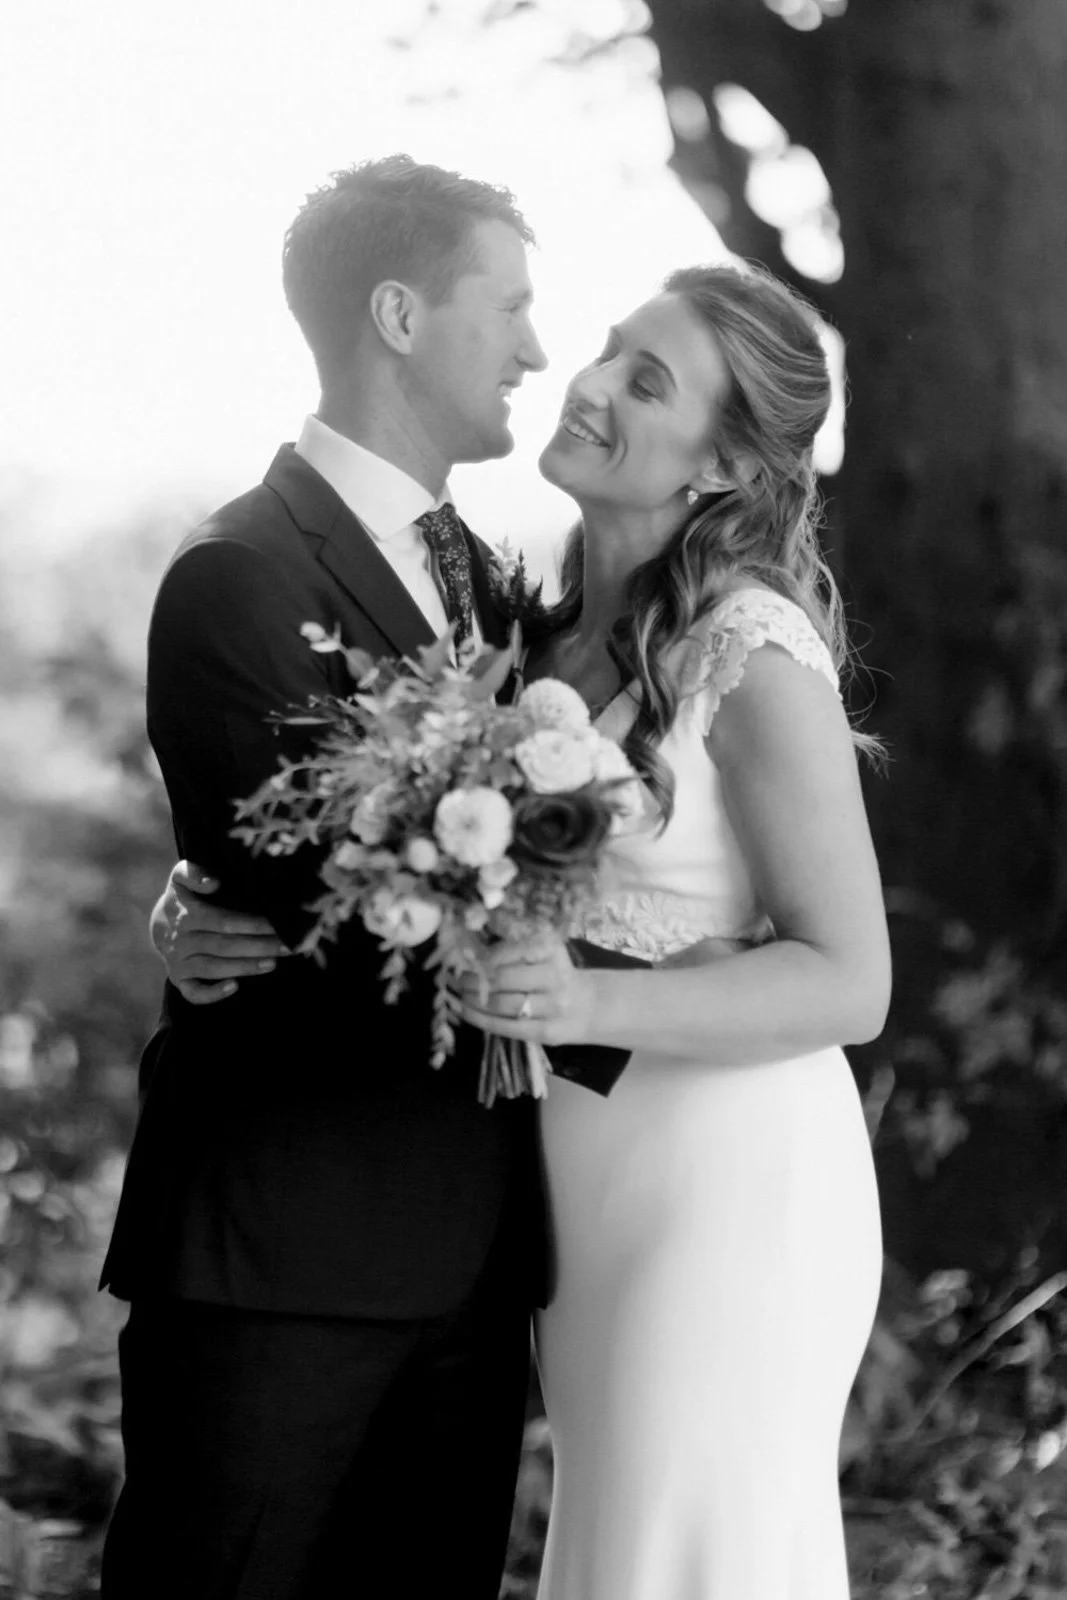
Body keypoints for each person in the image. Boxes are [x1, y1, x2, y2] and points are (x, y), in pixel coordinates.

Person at [149, 272, 889, 1593]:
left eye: (645, 381)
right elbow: (390, 830)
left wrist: (584, 1004)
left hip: (727, 1179)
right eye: (607, 350)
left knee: (691, 1550)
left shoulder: (751, 650)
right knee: (612, 1543)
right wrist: (200, 893)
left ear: (725, 467)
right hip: (577, 1189)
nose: (586, 383)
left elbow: (851, 981)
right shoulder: (521, 632)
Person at [98, 155, 631, 1600]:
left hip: (473, 1263)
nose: (536, 351)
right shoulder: (240, 576)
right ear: (399, 315)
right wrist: (697, 1002)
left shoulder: (492, 582)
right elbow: (325, 911)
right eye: (508, 308)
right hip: (283, 1263)